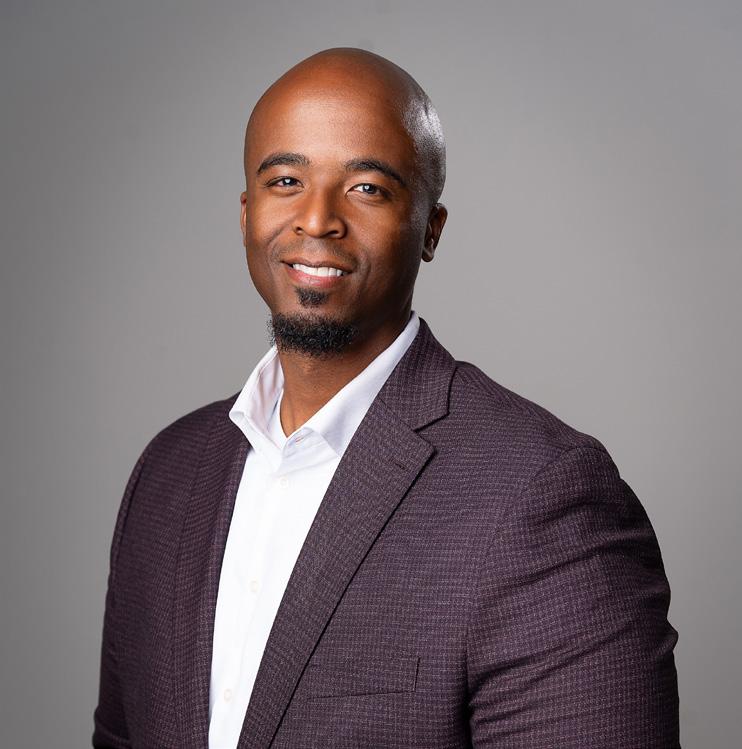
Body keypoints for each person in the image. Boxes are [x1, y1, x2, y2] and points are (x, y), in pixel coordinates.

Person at [93, 48, 680, 748]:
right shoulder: (168, 474)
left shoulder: (543, 496)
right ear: (246, 212)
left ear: (430, 228)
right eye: (286, 181)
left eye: (367, 188)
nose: (317, 219)